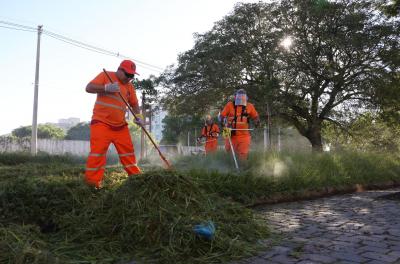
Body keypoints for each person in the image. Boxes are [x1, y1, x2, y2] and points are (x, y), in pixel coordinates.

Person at [84, 60, 143, 188]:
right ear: (119, 69)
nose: (129, 78)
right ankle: (92, 185)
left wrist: (138, 116)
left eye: (132, 76)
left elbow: (134, 104)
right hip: (101, 123)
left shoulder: (129, 87)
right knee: (97, 154)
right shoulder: (106, 76)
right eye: (127, 74)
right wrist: (105, 88)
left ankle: (137, 180)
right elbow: (88, 87)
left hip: (120, 126)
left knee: (128, 154)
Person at [219, 89, 260, 160]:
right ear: (235, 97)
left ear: (246, 97)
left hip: (244, 133)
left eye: (242, 97)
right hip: (228, 131)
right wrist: (221, 121)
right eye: (239, 97)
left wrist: (257, 122)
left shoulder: (250, 106)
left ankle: (242, 168)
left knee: (243, 153)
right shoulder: (229, 105)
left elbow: (256, 116)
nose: (240, 98)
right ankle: (229, 166)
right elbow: (221, 116)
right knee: (228, 151)